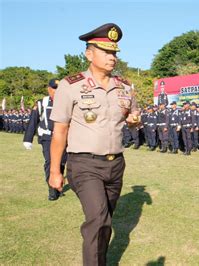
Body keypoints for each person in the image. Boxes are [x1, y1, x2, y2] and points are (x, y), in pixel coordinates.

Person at [48, 23, 140, 265]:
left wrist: (134, 121)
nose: (113, 57)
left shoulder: (126, 87)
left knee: (105, 221)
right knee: (98, 219)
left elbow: (133, 120)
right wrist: (55, 171)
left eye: (115, 53)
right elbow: (60, 131)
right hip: (84, 164)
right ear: (89, 54)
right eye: (106, 52)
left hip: (116, 164)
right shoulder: (71, 85)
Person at [23, 78, 67, 201]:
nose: (56, 92)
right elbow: (33, 121)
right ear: (49, 89)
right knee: (50, 162)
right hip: (48, 137)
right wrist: (28, 139)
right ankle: (52, 191)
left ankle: (58, 185)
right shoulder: (42, 103)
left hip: (63, 138)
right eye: (54, 89)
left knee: (61, 162)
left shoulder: (66, 102)